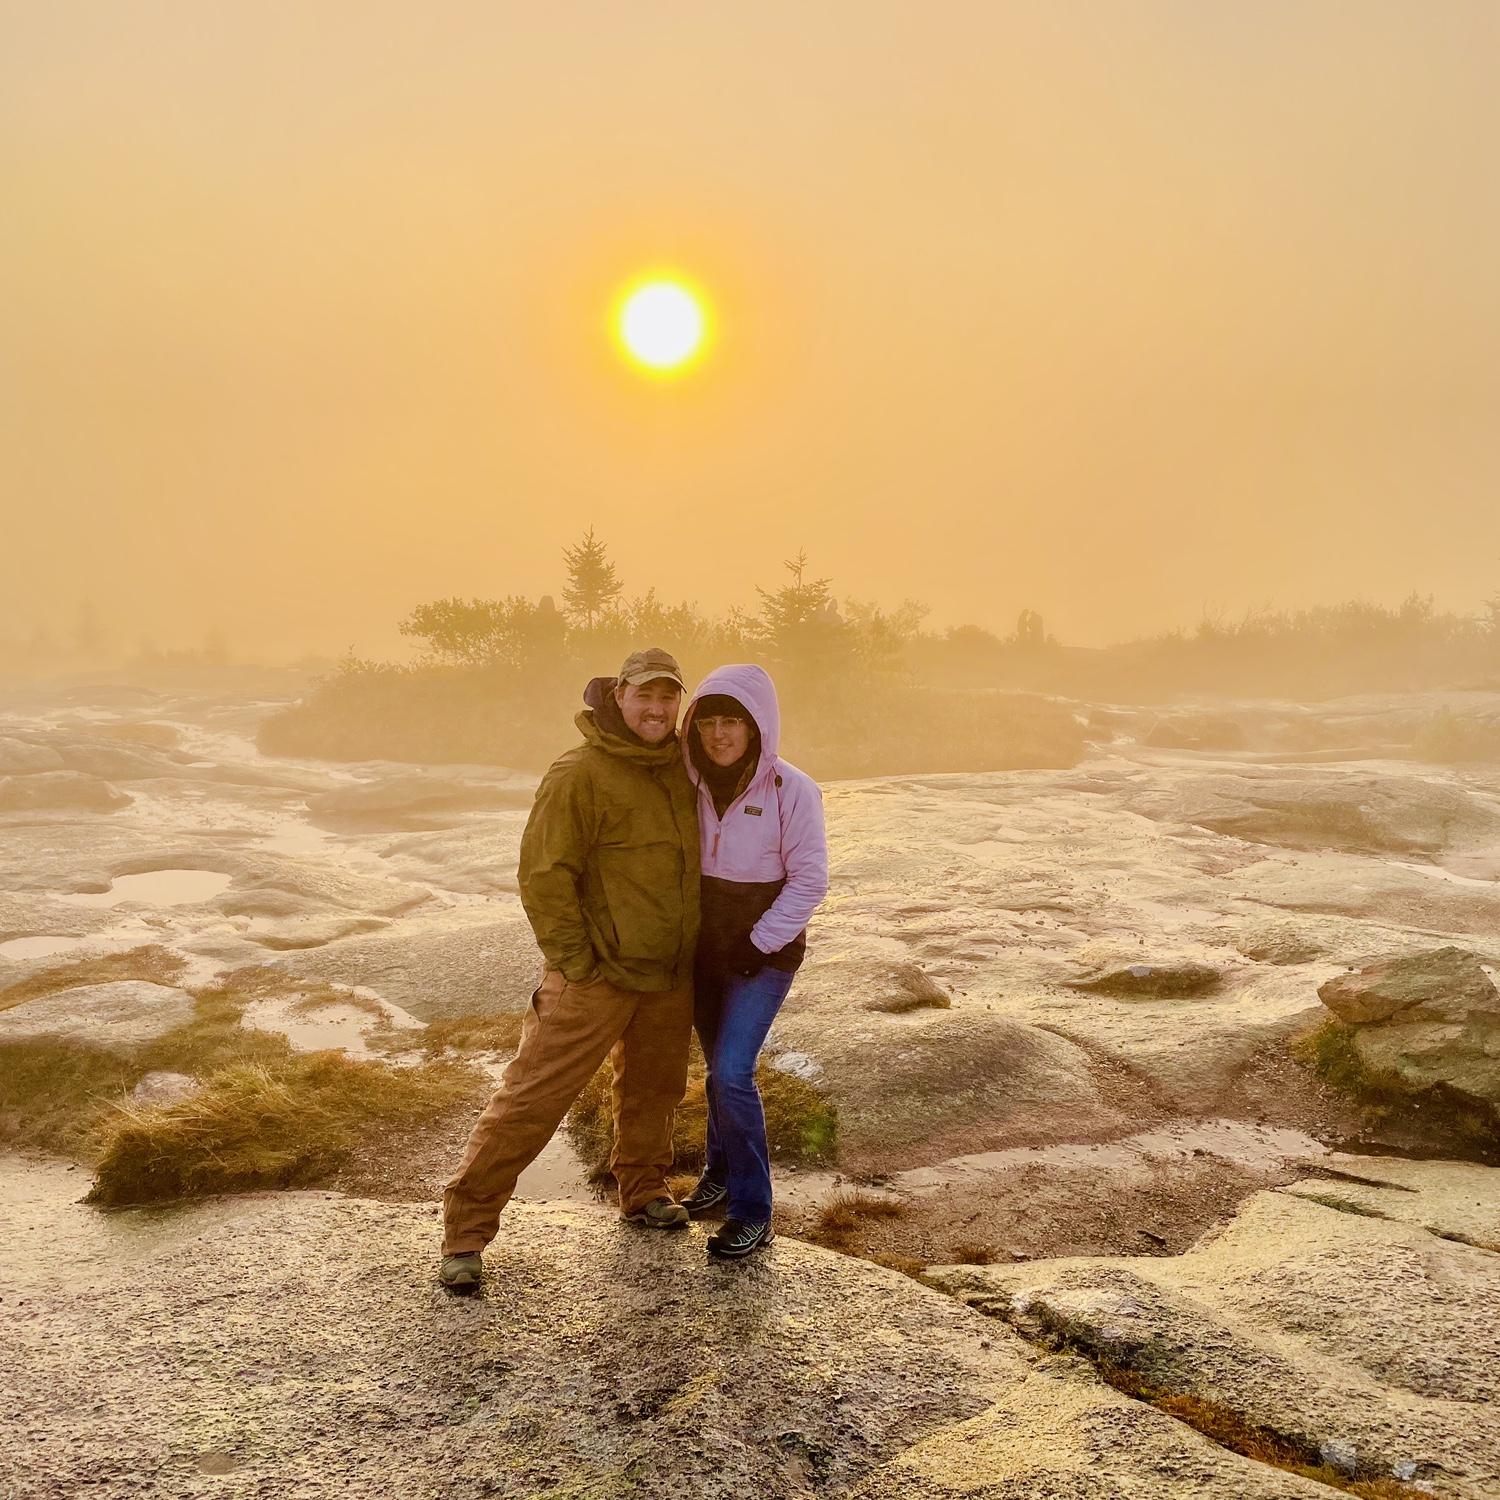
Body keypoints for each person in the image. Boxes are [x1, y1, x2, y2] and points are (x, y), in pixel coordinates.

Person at [438, 648, 701, 1292]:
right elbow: (544, 876)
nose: (657, 708)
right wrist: (577, 964)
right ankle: (466, 1233)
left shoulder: (682, 769)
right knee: (533, 1098)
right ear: (618, 698)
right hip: (596, 975)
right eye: (645, 696)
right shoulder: (578, 773)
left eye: (668, 697)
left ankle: (642, 1191)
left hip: (669, 974)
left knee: (654, 1090)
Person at [677, 664, 829, 1260]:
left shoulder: (793, 789)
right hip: (704, 955)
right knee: (717, 1069)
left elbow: (811, 879)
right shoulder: (685, 781)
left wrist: (757, 942)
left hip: (764, 955)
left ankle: (752, 1209)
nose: (719, 734)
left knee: (734, 1071)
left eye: (732, 721)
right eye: (708, 721)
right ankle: (718, 1175)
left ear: (756, 725)